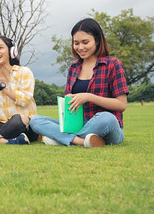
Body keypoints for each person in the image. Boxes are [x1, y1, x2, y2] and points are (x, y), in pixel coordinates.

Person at [29, 18, 129, 148]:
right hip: (77, 124)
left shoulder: (113, 64)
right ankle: (82, 141)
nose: (80, 47)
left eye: (85, 42)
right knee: (36, 121)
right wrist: (68, 100)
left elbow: (121, 104)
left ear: (97, 41)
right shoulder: (73, 67)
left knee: (106, 118)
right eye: (76, 43)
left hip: (106, 127)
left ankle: (63, 139)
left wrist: (89, 97)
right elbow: (68, 102)